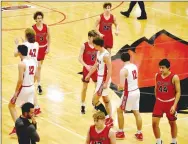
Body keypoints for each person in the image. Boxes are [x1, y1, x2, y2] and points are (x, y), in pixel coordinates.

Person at [9, 45, 37, 135]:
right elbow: (36, 76)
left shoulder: (21, 64)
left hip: (24, 88)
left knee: (11, 106)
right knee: (29, 110)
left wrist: (16, 92)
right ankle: (33, 127)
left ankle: (18, 127)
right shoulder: (32, 61)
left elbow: (20, 80)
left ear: (20, 53)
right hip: (32, 87)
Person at [85, 37, 113, 127]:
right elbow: (95, 65)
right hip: (100, 79)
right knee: (106, 100)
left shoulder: (106, 55)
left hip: (104, 80)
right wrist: (89, 74)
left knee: (94, 100)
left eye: (94, 44)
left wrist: (105, 82)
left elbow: (110, 70)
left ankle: (108, 118)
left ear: (98, 45)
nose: (93, 46)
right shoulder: (98, 53)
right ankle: (110, 118)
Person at [14, 28, 41, 116]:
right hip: (35, 67)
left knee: (26, 88)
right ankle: (36, 107)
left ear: (26, 36)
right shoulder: (36, 44)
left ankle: (27, 111)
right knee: (31, 87)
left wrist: (17, 44)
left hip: (27, 67)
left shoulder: (25, 44)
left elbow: (16, 54)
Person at [152, 59, 180, 144]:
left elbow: (178, 92)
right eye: (159, 67)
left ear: (168, 68)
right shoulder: (157, 75)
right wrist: (157, 99)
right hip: (159, 102)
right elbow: (156, 88)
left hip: (170, 103)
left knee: (172, 123)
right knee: (154, 123)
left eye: (163, 68)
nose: (160, 70)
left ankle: (174, 141)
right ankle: (158, 141)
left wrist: (174, 105)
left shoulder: (174, 77)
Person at [116, 52, 143, 140]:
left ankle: (120, 132)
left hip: (129, 93)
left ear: (121, 60)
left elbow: (121, 86)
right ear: (129, 58)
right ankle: (139, 133)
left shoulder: (123, 70)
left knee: (119, 111)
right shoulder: (134, 66)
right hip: (136, 91)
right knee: (136, 112)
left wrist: (118, 86)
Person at [78, 30, 98, 114]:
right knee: (85, 87)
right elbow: (79, 58)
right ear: (89, 37)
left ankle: (95, 102)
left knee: (97, 87)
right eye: (93, 37)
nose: (94, 39)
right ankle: (83, 104)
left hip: (95, 68)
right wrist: (86, 65)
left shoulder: (97, 45)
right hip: (87, 68)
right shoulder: (84, 45)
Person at [32, 11, 51, 95]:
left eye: (40, 18)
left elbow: (49, 37)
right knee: (38, 67)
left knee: (39, 68)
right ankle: (38, 85)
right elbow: (31, 40)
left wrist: (48, 47)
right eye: (38, 18)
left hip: (43, 49)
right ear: (35, 19)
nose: (39, 20)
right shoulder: (33, 28)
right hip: (36, 49)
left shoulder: (46, 27)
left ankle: (33, 83)